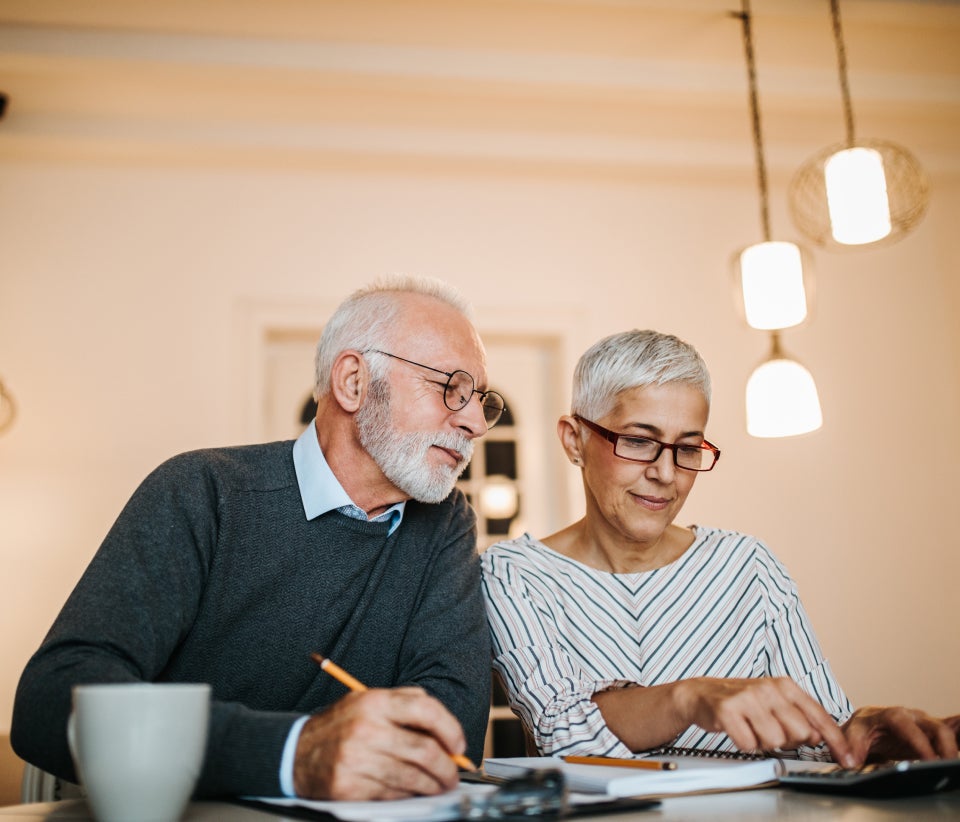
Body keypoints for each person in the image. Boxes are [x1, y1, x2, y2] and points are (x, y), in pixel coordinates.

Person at [12, 276, 505, 801]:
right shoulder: (203, 491)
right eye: (451, 386)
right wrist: (294, 753)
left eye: (480, 399)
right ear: (354, 383)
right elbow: (51, 701)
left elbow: (449, 735)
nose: (475, 421)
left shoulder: (445, 522)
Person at [481, 329, 959, 768]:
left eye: (687, 448)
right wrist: (689, 699)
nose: (666, 474)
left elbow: (820, 738)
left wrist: (869, 734)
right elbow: (564, 733)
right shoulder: (513, 575)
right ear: (574, 440)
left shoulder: (748, 567)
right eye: (639, 441)